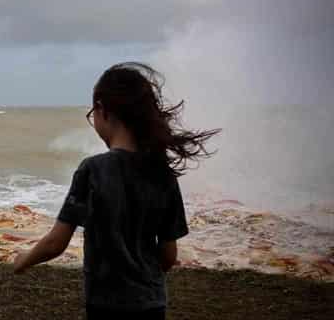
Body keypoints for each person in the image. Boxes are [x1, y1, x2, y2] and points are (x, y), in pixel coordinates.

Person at [13, 62, 220, 319]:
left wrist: (23, 260)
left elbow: (56, 243)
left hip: (105, 304)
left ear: (103, 111)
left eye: (92, 113)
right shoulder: (162, 173)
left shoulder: (93, 170)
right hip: (152, 303)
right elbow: (168, 255)